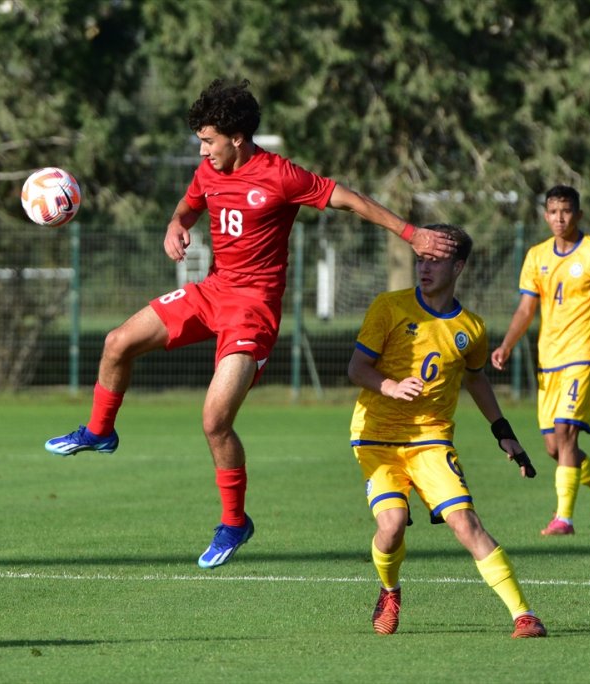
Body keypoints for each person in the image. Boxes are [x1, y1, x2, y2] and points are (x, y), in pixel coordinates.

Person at [45, 78, 456, 569]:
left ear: (236, 137)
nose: (203, 150)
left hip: (253, 310)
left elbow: (349, 199)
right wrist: (177, 225)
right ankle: (99, 431)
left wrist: (410, 233)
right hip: (212, 291)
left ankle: (234, 522)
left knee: (214, 420)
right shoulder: (208, 170)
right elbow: (189, 204)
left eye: (208, 140)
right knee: (117, 342)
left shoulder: (280, 176)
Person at [348, 223, 547, 639]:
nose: (425, 267)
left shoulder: (470, 328)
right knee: (392, 524)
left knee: (466, 524)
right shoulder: (389, 307)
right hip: (377, 438)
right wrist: (390, 386)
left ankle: (524, 615)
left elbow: (476, 380)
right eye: (421, 258)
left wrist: (503, 431)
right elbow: (357, 368)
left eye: (436, 261)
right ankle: (389, 590)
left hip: (431, 439)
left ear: (458, 267)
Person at [491, 185, 590, 536]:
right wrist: (506, 344)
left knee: (565, 434)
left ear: (578, 214)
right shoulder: (536, 256)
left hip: (584, 356)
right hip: (549, 360)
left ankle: (564, 518)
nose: (559, 218)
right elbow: (526, 308)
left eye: (566, 211)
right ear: (545, 215)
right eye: (553, 212)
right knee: (553, 447)